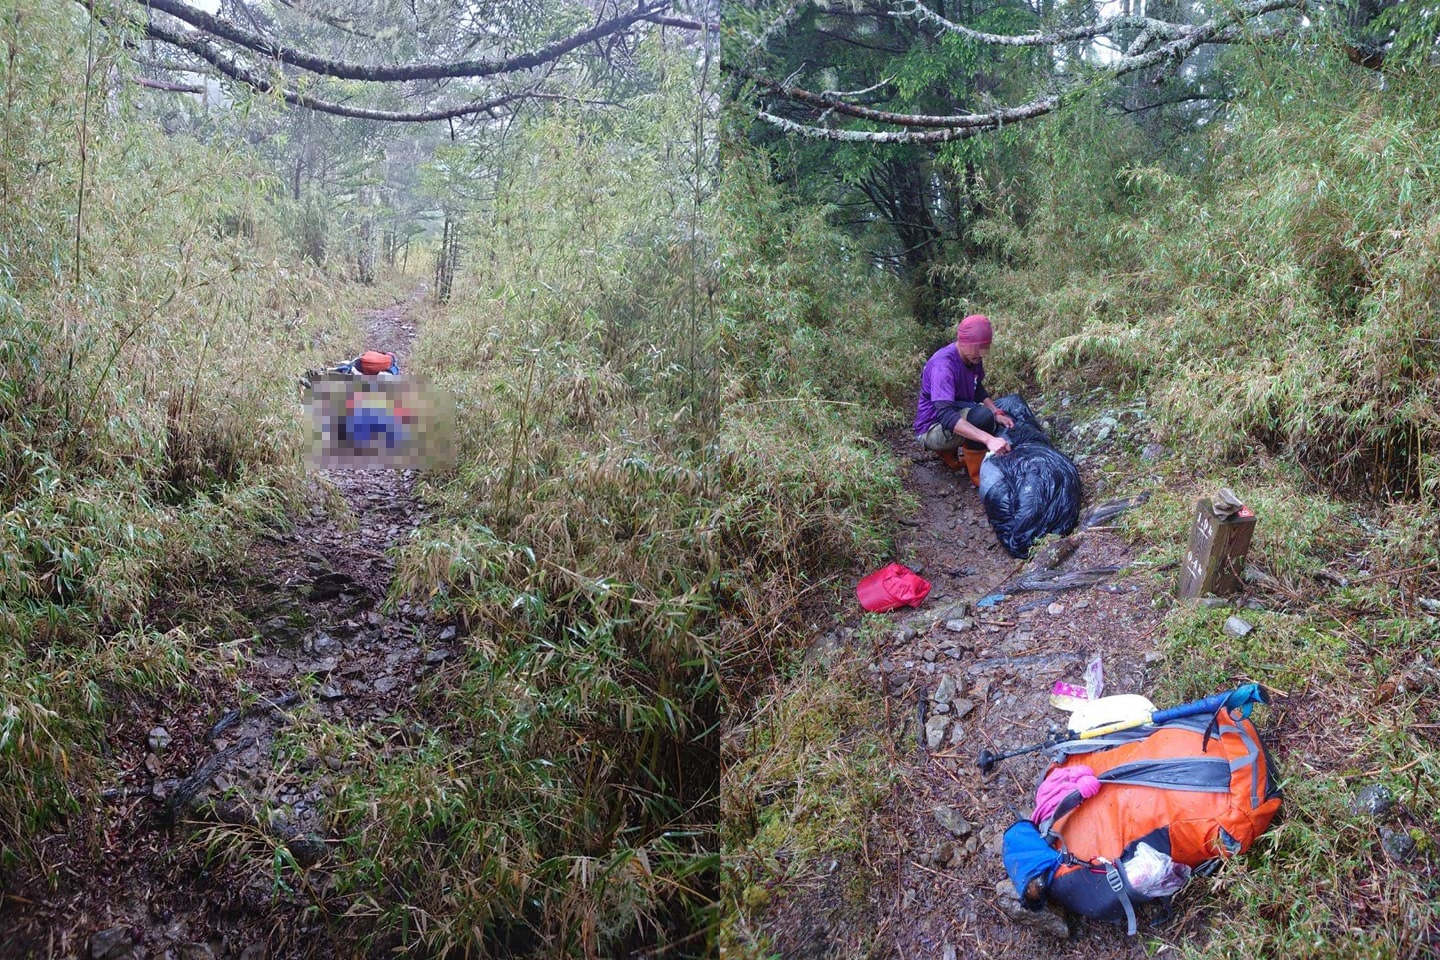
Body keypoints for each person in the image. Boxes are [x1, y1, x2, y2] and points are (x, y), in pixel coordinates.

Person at [914, 314, 1015, 487]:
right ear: (961, 341)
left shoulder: (973, 357)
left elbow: (978, 389)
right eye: (975, 348)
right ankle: (978, 478)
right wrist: (988, 439)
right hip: (931, 428)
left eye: (984, 348)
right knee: (982, 419)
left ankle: (961, 453)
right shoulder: (943, 367)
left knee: (989, 416)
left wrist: (995, 411)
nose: (980, 354)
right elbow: (945, 415)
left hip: (956, 410)